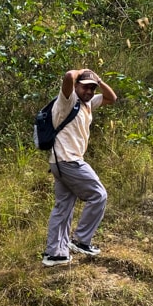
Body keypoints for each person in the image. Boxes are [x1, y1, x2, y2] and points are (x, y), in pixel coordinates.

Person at [43, 69, 117, 266]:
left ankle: (55, 254)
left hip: (60, 162)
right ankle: (81, 240)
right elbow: (68, 76)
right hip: (69, 160)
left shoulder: (87, 104)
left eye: (92, 88)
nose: (90, 91)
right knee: (98, 194)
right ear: (76, 87)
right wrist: (83, 71)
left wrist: (97, 79)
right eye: (86, 86)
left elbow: (112, 97)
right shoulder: (67, 101)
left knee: (63, 207)